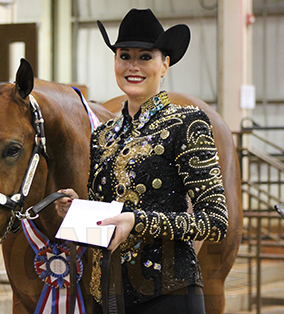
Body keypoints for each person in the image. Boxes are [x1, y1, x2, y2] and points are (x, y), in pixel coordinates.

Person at [55, 8, 228, 314]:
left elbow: (215, 222)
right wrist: (78, 210)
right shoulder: (103, 136)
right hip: (106, 294)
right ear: (115, 62)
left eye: (145, 57)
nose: (133, 66)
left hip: (168, 295)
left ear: (165, 65)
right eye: (124, 55)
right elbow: (105, 217)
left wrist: (138, 222)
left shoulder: (186, 124)